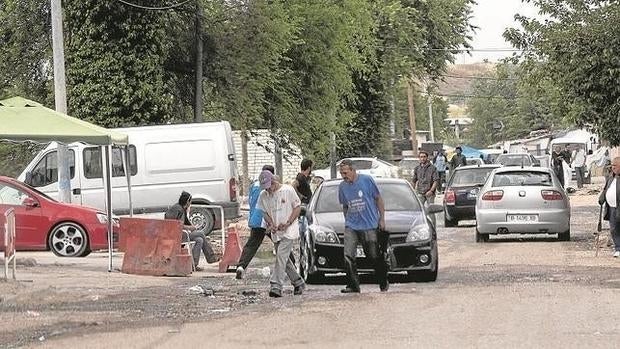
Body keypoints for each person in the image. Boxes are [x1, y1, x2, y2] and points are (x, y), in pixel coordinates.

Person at [338, 159, 388, 293]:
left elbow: (378, 199)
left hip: (369, 225)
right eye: (341, 173)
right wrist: (347, 220)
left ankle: (383, 280)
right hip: (351, 226)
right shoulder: (342, 186)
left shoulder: (367, 180)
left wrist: (382, 219)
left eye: (345, 172)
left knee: (373, 255)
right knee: (348, 255)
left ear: (353, 170)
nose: (343, 175)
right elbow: (345, 205)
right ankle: (353, 285)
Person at [257, 171, 306, 297]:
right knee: (284, 259)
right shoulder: (263, 195)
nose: (268, 189)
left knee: (281, 256)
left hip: (289, 230)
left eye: (270, 185)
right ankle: (298, 282)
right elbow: (264, 212)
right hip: (276, 231)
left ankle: (276, 285)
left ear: (274, 181)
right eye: (266, 187)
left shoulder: (288, 190)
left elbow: (297, 207)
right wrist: (271, 224)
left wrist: (288, 222)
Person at [235, 165, 275, 279]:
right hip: (266, 220)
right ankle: (291, 266)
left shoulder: (254, 185)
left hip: (255, 219)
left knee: (251, 245)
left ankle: (241, 266)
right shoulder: (268, 187)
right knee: (281, 243)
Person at [165, 191, 218, 271]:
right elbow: (175, 225)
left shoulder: (182, 209)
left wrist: (192, 227)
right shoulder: (177, 209)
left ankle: (193, 265)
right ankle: (211, 258)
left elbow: (185, 223)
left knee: (199, 240)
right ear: (187, 202)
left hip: (181, 234)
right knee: (201, 233)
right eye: (190, 202)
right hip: (175, 236)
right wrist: (190, 228)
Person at [598, 156, 620, 258]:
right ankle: (618, 248)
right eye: (612, 166)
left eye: (615, 165)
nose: (613, 168)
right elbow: (606, 188)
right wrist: (602, 197)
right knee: (614, 229)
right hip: (611, 207)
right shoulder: (611, 177)